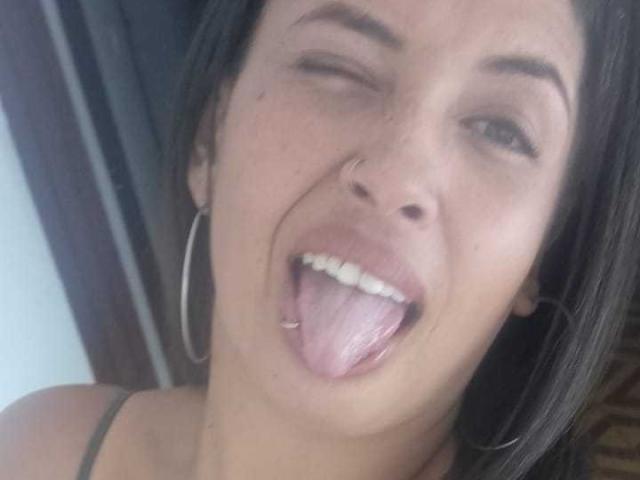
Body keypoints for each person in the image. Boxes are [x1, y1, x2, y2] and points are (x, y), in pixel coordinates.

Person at [2, 0, 640, 478]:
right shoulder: (41, 449)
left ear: (539, 254)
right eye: (336, 66)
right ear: (210, 142)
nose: (396, 174)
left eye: (501, 130)